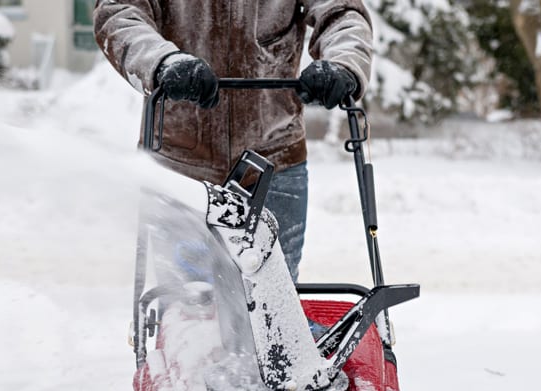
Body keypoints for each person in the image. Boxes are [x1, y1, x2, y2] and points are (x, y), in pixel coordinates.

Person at [93, 0, 373, 282]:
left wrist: (343, 63)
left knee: (273, 302)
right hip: (181, 164)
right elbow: (119, 13)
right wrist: (163, 61)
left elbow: (342, 12)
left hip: (274, 158)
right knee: (184, 304)